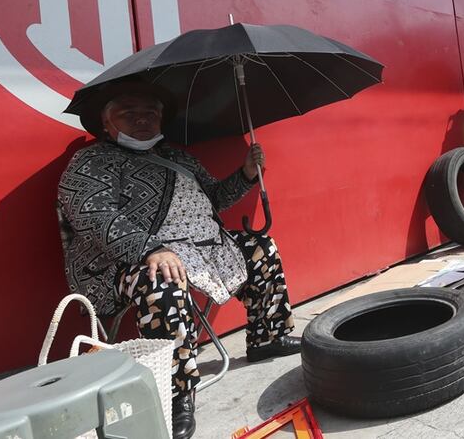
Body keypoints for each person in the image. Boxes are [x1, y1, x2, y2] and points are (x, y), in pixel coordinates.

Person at [57, 82, 299, 439]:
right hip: (123, 262)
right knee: (162, 279)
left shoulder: (178, 156)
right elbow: (91, 216)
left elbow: (214, 199)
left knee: (259, 247)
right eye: (129, 113)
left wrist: (247, 174)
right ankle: (176, 391)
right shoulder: (92, 161)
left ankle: (268, 337)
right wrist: (150, 248)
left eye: (151, 113)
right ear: (107, 124)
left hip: (200, 247)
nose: (143, 119)